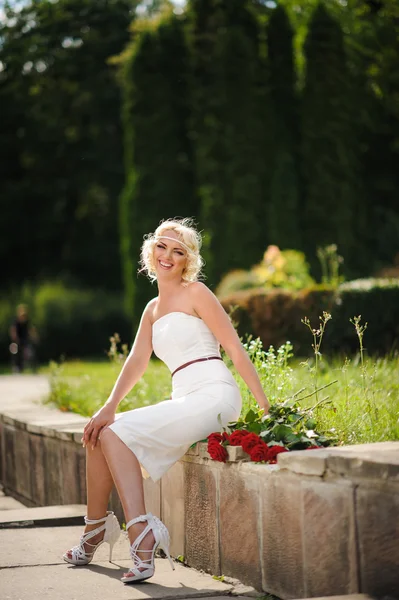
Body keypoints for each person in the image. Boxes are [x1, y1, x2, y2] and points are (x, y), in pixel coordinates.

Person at [63, 218, 270, 584]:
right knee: (99, 431)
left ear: (188, 260)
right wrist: (108, 406)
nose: (168, 256)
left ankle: (140, 536)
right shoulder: (152, 309)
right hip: (184, 397)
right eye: (162, 247)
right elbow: (137, 362)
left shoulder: (197, 293)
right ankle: (93, 530)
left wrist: (267, 409)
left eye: (179, 251)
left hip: (214, 394)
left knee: (113, 435)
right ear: (150, 250)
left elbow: (235, 350)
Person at [9, 304, 38, 373]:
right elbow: (13, 330)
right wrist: (15, 338)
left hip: (25, 340)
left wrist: (34, 337)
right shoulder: (16, 321)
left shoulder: (27, 321)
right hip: (17, 341)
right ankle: (17, 367)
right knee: (16, 352)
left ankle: (33, 367)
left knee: (30, 352)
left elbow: (31, 329)